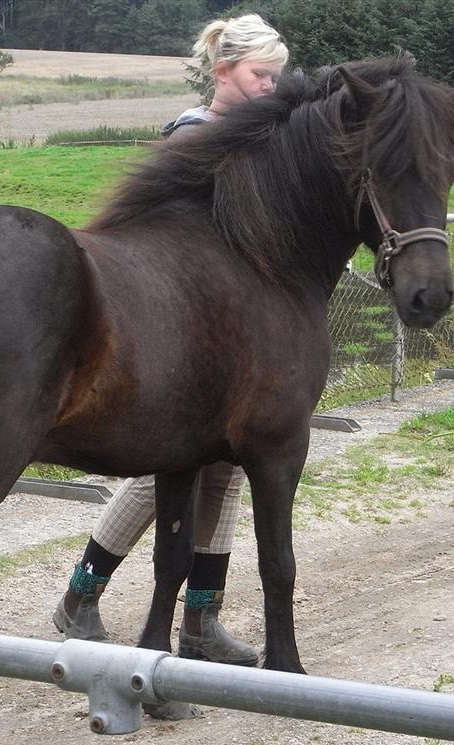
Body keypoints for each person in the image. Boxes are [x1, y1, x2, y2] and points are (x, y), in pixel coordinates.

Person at [52, 13, 288, 667]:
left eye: (276, 76)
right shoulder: (193, 134)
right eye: (259, 74)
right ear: (224, 72)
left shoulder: (264, 142)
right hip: (183, 335)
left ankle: (200, 621)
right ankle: (82, 595)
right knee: (168, 472)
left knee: (225, 475)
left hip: (233, 335)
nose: (269, 86)